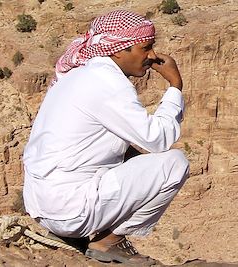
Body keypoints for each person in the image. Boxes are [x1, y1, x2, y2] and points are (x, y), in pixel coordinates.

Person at [22, 10, 189, 265]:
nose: (153, 56)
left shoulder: (81, 74)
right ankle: (108, 242)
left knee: (135, 158)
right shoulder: (106, 82)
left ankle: (76, 235)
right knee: (175, 163)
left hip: (46, 207)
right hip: (69, 210)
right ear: (119, 50)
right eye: (146, 48)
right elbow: (158, 139)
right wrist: (175, 86)